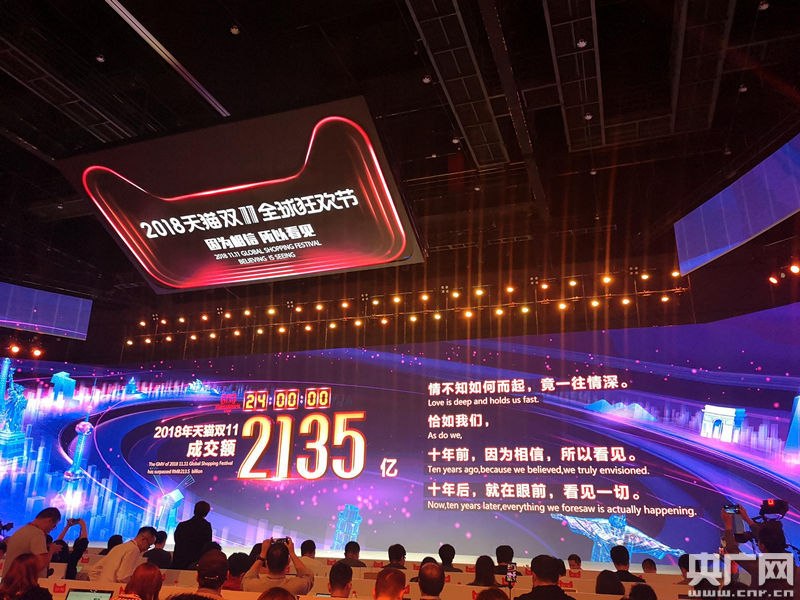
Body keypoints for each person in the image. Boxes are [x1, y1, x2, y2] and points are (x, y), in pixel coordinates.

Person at [2, 507, 61, 578]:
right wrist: (51, 551)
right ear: (49, 521)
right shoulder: (37, 533)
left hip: (10, 581)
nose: (51, 530)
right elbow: (41, 564)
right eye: (54, 526)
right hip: (24, 583)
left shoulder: (20, 531)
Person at [242, 537, 314, 595]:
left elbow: (248, 577)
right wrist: (292, 553)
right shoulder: (297, 587)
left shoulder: (252, 586)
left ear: (266, 563)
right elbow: (308, 576)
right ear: (288, 562)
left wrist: (262, 554)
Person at [88, 526, 157, 583]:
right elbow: (123, 577)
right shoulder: (134, 550)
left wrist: (100, 585)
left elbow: (94, 570)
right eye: (149, 545)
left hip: (104, 590)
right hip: (115, 590)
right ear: (143, 539)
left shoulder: (119, 547)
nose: (147, 549)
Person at [172, 501, 213, 569]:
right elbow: (208, 544)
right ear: (206, 513)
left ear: (194, 510)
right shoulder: (206, 526)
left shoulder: (182, 525)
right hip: (196, 564)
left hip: (179, 563)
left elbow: (177, 541)